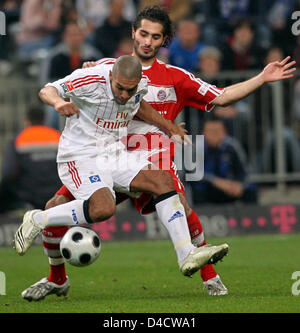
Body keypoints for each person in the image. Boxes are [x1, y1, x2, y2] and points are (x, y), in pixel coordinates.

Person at [21, 5, 296, 301]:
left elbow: (223, 96)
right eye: (143, 34)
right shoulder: (108, 67)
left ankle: (208, 275)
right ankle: (56, 278)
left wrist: (261, 78)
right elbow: (79, 87)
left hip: (150, 157)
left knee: (179, 204)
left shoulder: (176, 77)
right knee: (57, 204)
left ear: (164, 40)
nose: (147, 41)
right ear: (133, 34)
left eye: (155, 36)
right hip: (101, 156)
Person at [15, 55, 229, 300]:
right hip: (80, 155)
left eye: (131, 89)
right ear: (112, 77)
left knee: (162, 180)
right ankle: (38, 219)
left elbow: (140, 106)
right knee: (103, 208)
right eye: (120, 88)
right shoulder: (92, 78)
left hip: (113, 152)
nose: (125, 95)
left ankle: (186, 254)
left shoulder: (139, 86)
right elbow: (48, 89)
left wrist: (169, 126)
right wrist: (57, 103)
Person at [0, 105, 62, 214]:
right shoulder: (57, 136)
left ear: (27, 120)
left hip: (28, 197)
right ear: (44, 120)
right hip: (56, 194)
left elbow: (8, 173)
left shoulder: (19, 138)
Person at [190, 117, 257, 205]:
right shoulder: (196, 147)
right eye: (210, 131)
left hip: (229, 186)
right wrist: (216, 181)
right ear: (203, 133)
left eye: (217, 131)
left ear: (224, 132)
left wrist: (239, 185)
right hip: (208, 186)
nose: (214, 135)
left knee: (251, 188)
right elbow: (192, 173)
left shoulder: (232, 146)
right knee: (197, 188)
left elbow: (245, 171)